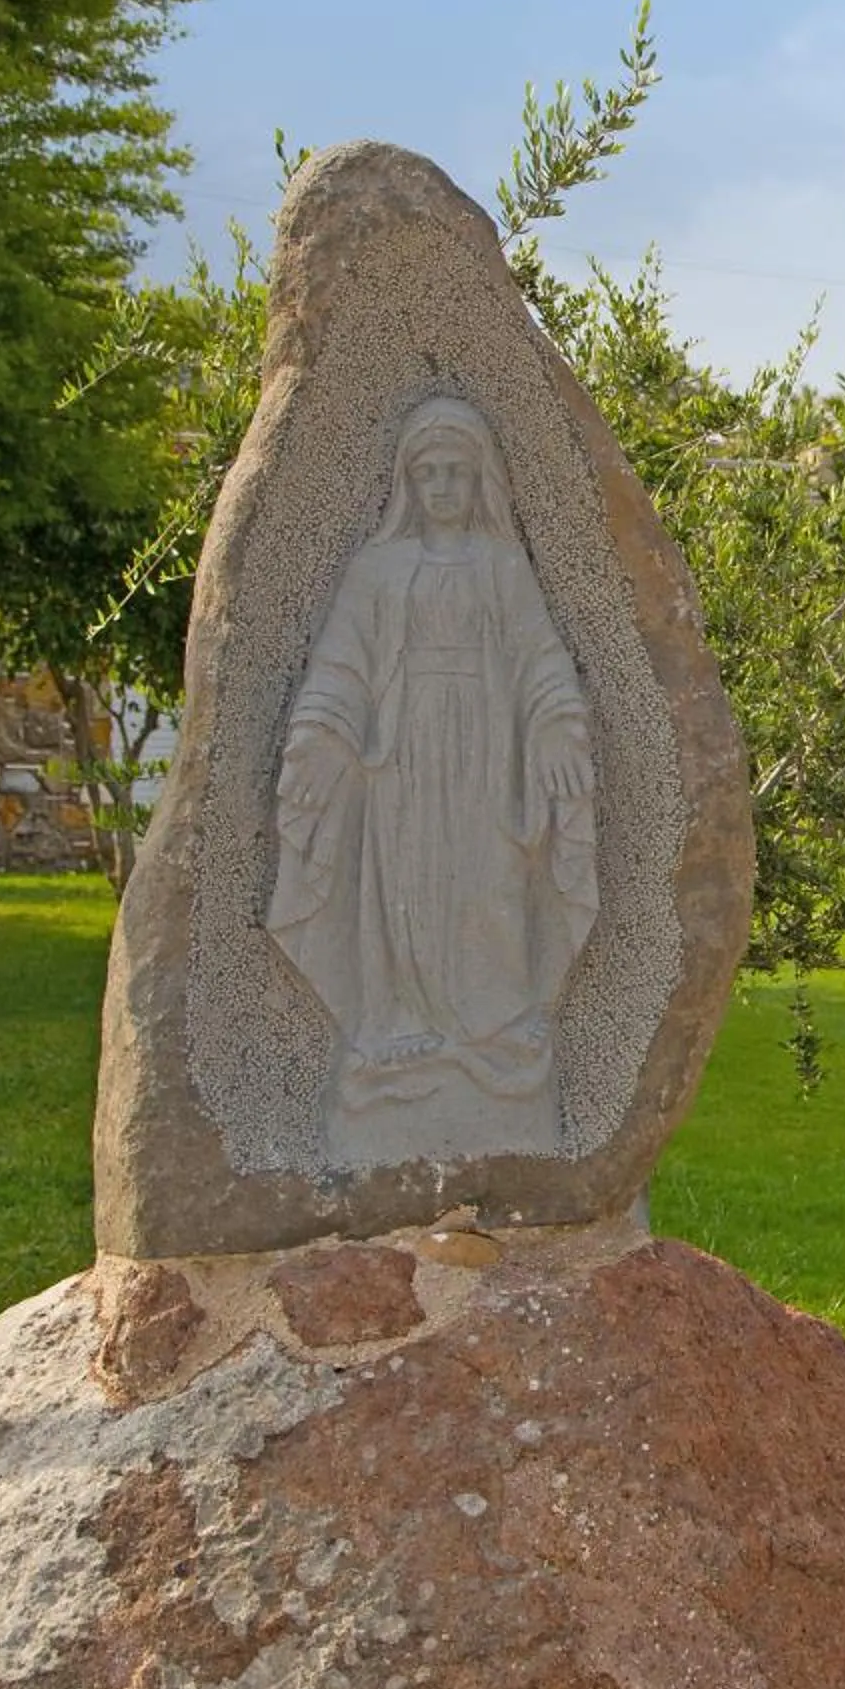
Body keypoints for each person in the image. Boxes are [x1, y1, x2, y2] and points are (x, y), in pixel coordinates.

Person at [267, 396, 598, 1162]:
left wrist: (555, 728)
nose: (443, 485)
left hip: (486, 760)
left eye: (456, 471)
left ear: (480, 478)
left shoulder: (503, 567)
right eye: (428, 473)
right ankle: (397, 1029)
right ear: (407, 483)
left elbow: (542, 662)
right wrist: (319, 736)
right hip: (405, 767)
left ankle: (495, 1032)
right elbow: (342, 668)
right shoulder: (377, 569)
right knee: (408, 894)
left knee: (487, 889)